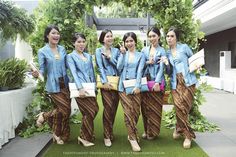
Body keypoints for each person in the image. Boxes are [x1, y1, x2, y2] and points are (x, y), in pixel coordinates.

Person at [33, 24, 71, 145]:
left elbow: (67, 65)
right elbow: (42, 69)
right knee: (65, 109)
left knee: (64, 112)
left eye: (57, 33)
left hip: (65, 83)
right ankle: (44, 116)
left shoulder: (62, 49)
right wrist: (37, 73)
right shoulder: (42, 51)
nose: (56, 35)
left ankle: (59, 133)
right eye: (53, 33)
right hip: (53, 85)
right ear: (47, 35)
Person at [164, 26, 198, 149]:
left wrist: (196, 66)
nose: (169, 38)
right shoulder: (166, 53)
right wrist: (166, 63)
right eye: (167, 36)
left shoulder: (184, 48)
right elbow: (168, 72)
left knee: (185, 107)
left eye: (172, 36)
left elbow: (193, 59)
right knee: (179, 107)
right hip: (175, 82)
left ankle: (179, 127)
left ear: (176, 37)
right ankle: (187, 135)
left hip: (188, 81)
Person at [67, 33, 99, 147]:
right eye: (78, 42)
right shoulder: (70, 56)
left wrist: (95, 87)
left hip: (90, 88)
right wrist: (80, 88)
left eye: (83, 41)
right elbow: (74, 73)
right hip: (79, 88)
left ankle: (87, 133)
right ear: (73, 43)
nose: (81, 44)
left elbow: (92, 72)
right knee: (90, 111)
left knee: (94, 110)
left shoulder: (88, 56)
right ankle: (83, 137)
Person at [117, 32, 145, 152]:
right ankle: (132, 139)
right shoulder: (123, 53)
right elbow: (118, 68)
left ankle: (131, 132)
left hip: (136, 87)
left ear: (135, 41)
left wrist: (138, 85)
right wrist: (122, 55)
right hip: (123, 87)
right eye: (126, 41)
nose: (129, 43)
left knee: (136, 112)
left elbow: (140, 71)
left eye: (131, 41)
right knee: (128, 112)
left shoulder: (141, 55)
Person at [95, 29, 120, 147]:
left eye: (111, 36)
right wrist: (105, 82)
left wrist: (110, 58)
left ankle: (110, 130)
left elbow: (119, 66)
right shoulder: (98, 51)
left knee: (114, 108)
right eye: (107, 36)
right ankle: (106, 135)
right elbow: (100, 67)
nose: (110, 38)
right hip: (106, 84)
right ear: (103, 39)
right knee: (108, 107)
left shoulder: (116, 51)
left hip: (116, 83)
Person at [141, 27, 166, 140]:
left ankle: (153, 132)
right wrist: (148, 62)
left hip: (156, 82)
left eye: (154, 36)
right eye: (150, 36)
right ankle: (146, 130)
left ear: (158, 36)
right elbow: (140, 65)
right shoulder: (144, 50)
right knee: (145, 107)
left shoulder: (162, 50)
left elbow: (162, 67)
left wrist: (157, 82)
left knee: (155, 108)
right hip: (145, 81)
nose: (151, 38)